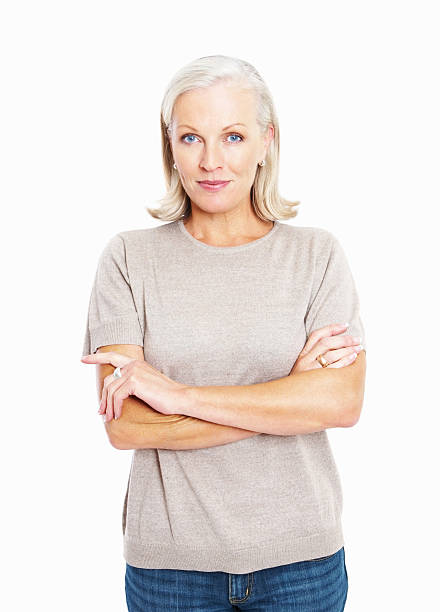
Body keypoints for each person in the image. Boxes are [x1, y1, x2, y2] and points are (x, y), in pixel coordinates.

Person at [81, 54, 367, 611]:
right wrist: (286, 396)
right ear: (170, 146)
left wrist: (179, 397)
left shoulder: (316, 255)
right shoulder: (128, 259)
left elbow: (340, 401)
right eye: (191, 138)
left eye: (232, 136)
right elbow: (128, 426)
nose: (211, 161)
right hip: (170, 570)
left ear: (266, 141)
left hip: (301, 565)